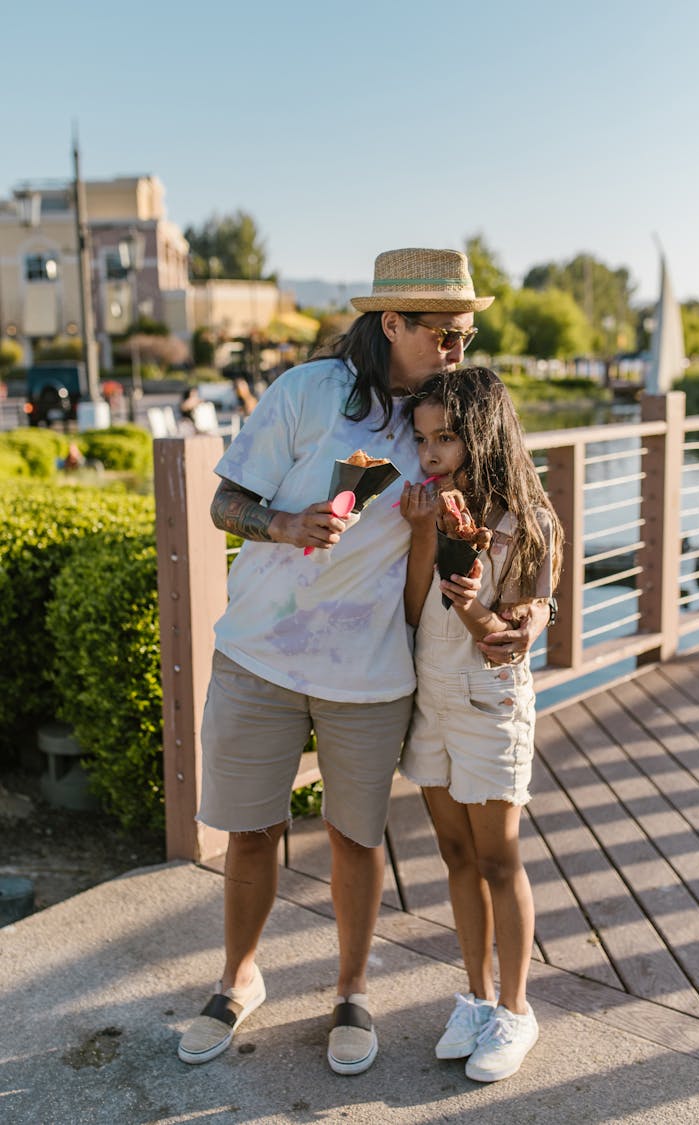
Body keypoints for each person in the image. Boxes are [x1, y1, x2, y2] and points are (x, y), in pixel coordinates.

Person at [177, 247, 550, 1076]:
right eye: (446, 333)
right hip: (261, 652)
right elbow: (222, 501)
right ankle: (239, 977)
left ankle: (352, 991)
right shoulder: (307, 391)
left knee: (355, 837)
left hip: (374, 670)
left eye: (467, 332)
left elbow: (522, 504)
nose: (460, 347)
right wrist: (286, 523)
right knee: (250, 830)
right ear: (393, 324)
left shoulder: (448, 412)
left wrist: (531, 608)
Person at [397, 366, 563, 1083]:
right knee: (455, 855)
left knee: (499, 858)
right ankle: (474, 993)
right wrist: (420, 534)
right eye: (423, 438)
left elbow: (507, 634)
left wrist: (474, 606)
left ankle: (516, 1008)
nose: (430, 452)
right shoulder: (431, 506)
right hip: (429, 697)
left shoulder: (527, 521)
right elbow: (411, 611)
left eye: (447, 437)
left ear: (484, 434)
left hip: (489, 699)